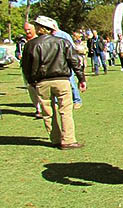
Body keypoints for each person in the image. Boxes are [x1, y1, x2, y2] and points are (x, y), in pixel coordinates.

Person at [21, 16, 87, 149]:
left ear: (39, 28)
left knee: (47, 112)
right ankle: (68, 140)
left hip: (41, 82)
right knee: (65, 111)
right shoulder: (62, 42)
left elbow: (26, 66)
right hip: (61, 80)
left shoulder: (31, 45)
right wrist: (81, 79)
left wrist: (31, 81)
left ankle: (55, 139)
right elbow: (74, 61)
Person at [51, 21, 83, 109]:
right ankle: (57, 102)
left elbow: (71, 48)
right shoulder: (49, 36)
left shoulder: (64, 35)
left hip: (65, 63)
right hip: (54, 64)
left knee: (71, 82)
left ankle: (77, 100)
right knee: (56, 83)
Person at [20, 22, 42, 118]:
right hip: (26, 69)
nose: (27, 31)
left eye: (29, 29)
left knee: (40, 88)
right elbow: (18, 51)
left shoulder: (40, 40)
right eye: (25, 30)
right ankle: (38, 108)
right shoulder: (22, 41)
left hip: (38, 68)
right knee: (30, 89)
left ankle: (43, 108)